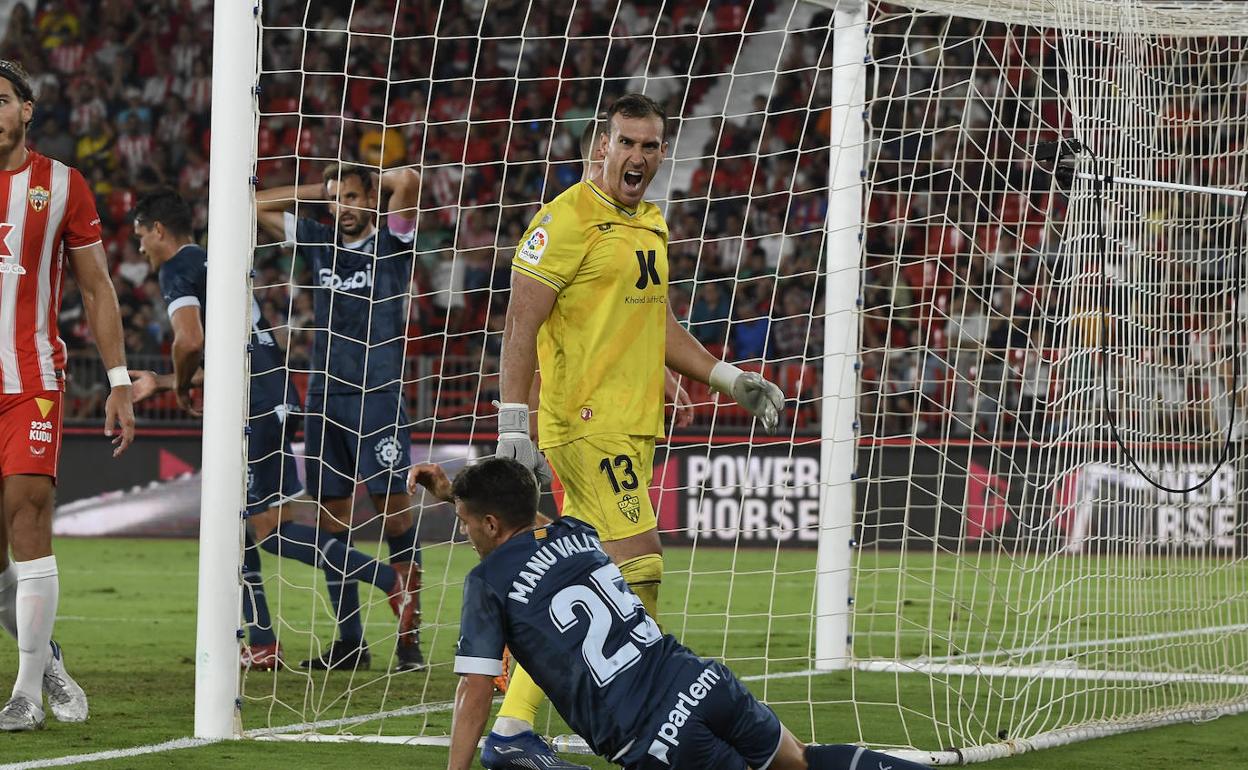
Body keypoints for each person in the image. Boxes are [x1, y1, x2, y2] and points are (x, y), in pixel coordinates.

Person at [486, 93, 784, 768]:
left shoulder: (651, 222)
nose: (638, 157)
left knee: (591, 574)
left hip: (632, 426)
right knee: (638, 563)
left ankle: (520, 723)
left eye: (650, 146)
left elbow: (656, 321)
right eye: (627, 142)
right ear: (603, 146)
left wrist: (728, 378)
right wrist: (513, 422)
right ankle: (634, 711)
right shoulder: (564, 220)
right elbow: (521, 324)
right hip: (584, 423)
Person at [411, 458, 930, 770]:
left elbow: (475, 688)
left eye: (464, 521)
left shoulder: (487, 581)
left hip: (654, 734)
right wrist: (454, 493)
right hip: (702, 680)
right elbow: (529, 525)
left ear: (491, 524)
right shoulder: (576, 532)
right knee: (800, 761)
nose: (464, 531)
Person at [126, 190, 418, 672]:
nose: (140, 248)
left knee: (267, 532)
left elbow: (190, 341)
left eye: (141, 236)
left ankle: (390, 580)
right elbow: (238, 353)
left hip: (255, 407)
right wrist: (160, 382)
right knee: (240, 526)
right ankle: (262, 640)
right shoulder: (217, 262)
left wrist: (177, 385)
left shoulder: (176, 269)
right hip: (276, 393)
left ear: (158, 230)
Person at [0, 59, 136, 731]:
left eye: (1, 99)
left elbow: (96, 287)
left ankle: (26, 693)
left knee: (28, 516)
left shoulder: (61, 185)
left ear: (26, 110)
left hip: (31, 383)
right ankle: (47, 658)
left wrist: (118, 381)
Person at [255, 163, 425, 671]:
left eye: (353, 197)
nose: (343, 208)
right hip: (325, 399)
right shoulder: (318, 241)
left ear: (372, 199)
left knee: (395, 514)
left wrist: (367, 181)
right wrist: (320, 190)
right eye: (338, 200)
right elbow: (255, 205)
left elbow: (409, 181)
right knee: (332, 522)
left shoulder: (394, 244)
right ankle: (351, 642)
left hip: (377, 397)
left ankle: (409, 641)